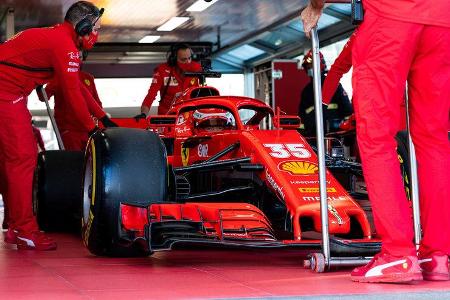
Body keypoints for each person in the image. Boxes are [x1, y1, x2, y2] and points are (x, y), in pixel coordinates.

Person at [301, 0, 450, 283]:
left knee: (376, 137)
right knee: (434, 139)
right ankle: (439, 255)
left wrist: (316, 5)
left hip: (390, 19)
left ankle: (398, 254)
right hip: (443, 22)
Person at [0, 1, 104, 250]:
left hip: (9, 91)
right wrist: (91, 129)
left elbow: (77, 85)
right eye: (96, 27)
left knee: (10, 159)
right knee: (24, 158)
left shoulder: (56, 37)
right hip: (5, 92)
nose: (97, 33)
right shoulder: (64, 46)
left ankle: (16, 225)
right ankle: (24, 229)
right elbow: (72, 94)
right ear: (83, 25)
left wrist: (103, 116)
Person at [44, 62, 117, 151]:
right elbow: (43, 96)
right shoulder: (59, 77)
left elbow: (95, 101)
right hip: (69, 129)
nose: (78, 59)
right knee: (74, 160)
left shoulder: (88, 78)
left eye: (80, 56)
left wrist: (102, 119)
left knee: (89, 161)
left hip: (88, 129)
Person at [135, 44, 202, 118]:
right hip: (167, 117)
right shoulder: (162, 70)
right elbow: (151, 94)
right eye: (183, 59)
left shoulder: (197, 68)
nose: (187, 62)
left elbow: (202, 92)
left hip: (190, 116)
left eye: (189, 58)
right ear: (174, 59)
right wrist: (143, 114)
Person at [298, 50, 353, 137]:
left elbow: (347, 110)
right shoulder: (306, 91)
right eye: (308, 67)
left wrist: (348, 133)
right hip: (313, 136)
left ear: (320, 64)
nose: (310, 69)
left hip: (334, 135)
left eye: (311, 66)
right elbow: (301, 117)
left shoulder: (333, 83)